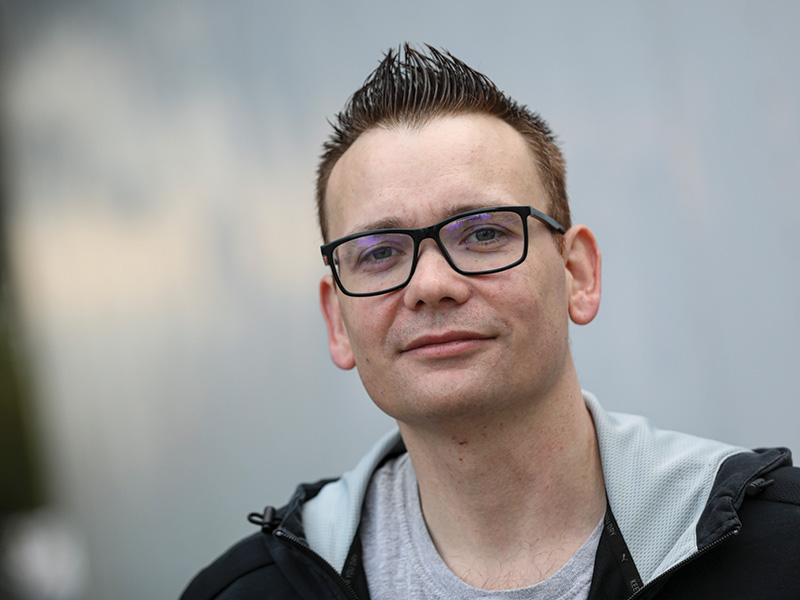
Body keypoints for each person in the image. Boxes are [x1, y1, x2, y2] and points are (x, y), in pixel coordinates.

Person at [181, 44, 800, 599]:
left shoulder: (781, 549)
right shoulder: (243, 594)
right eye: (378, 253)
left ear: (577, 273)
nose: (430, 285)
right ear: (337, 321)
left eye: (482, 233)